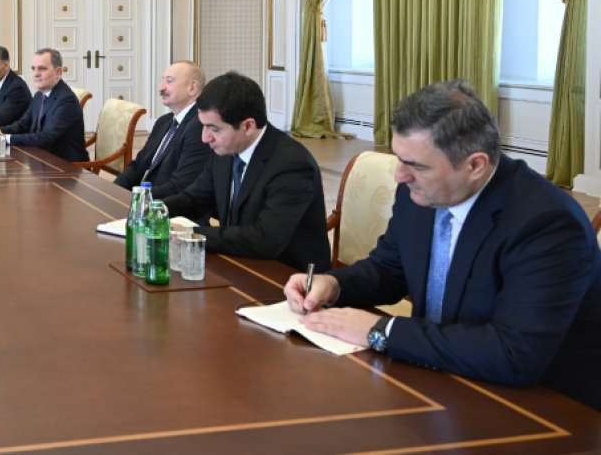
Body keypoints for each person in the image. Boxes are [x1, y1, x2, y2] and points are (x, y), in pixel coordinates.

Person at [287, 80, 601, 409]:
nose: (399, 176)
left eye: (415, 165)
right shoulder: (420, 192)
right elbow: (390, 268)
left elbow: (514, 354)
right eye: (399, 159)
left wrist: (381, 330)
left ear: (475, 165)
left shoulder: (547, 224)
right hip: (438, 380)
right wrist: (333, 284)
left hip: (541, 406)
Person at [163, 71, 330, 270]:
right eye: (203, 127)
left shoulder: (292, 165)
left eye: (214, 129)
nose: (205, 138)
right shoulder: (226, 149)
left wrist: (189, 234)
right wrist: (155, 210)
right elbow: (196, 198)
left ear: (248, 126)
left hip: (286, 276)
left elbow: (265, 239)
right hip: (239, 261)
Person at [115, 61, 212, 201]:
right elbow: (138, 165)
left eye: (169, 81)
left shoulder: (200, 126)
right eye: (163, 81)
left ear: (192, 88)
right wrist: (115, 189)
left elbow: (181, 185)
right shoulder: (164, 121)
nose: (161, 88)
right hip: (146, 199)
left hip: (168, 208)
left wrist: (137, 199)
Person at [0, 48, 87, 163]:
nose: (36, 74)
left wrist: (4, 138)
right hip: (41, 160)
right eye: (33, 69)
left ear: (58, 72)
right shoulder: (39, 95)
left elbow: (45, 138)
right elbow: (22, 125)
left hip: (66, 167)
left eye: (42, 69)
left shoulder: (66, 101)